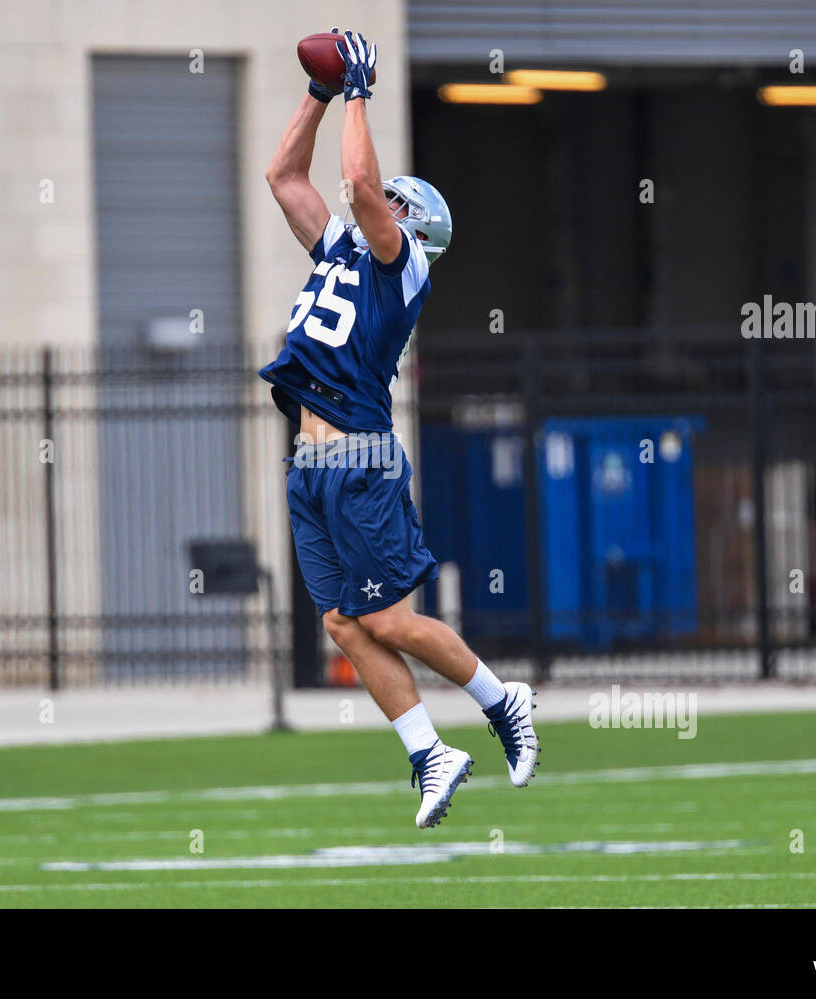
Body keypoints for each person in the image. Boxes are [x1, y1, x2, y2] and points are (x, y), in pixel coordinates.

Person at [259, 29, 538, 828]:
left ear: (411, 223)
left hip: (361, 461)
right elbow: (283, 177)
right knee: (343, 621)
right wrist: (317, 93)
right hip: (308, 468)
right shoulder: (342, 254)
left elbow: (355, 179)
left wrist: (358, 89)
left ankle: (499, 697)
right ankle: (429, 752)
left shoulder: (401, 266)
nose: (384, 199)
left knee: (387, 619)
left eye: (393, 200)